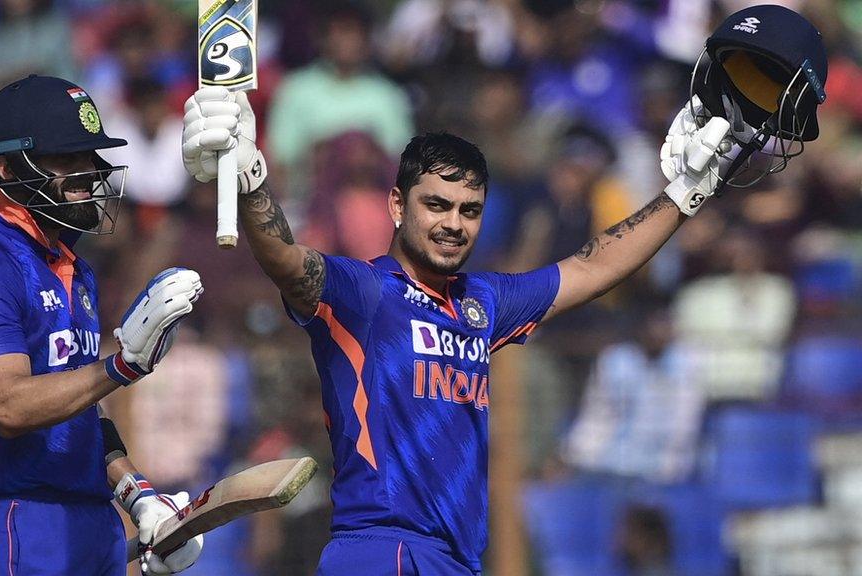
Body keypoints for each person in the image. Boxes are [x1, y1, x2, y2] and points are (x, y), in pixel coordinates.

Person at [181, 5, 824, 574]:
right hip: (384, 548)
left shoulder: (483, 304)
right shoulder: (364, 292)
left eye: (469, 210)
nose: (453, 225)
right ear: (397, 205)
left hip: (457, 559)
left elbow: (594, 267)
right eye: (437, 206)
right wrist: (251, 177)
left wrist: (685, 194)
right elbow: (288, 262)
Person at [0, 75, 204, 575]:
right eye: (65, 157)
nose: (86, 172)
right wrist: (122, 366)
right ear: (5, 167)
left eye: (88, 157)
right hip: (13, 520)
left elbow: (78, 410)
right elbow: (9, 405)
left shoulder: (76, 269)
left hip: (88, 521)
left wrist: (139, 499)